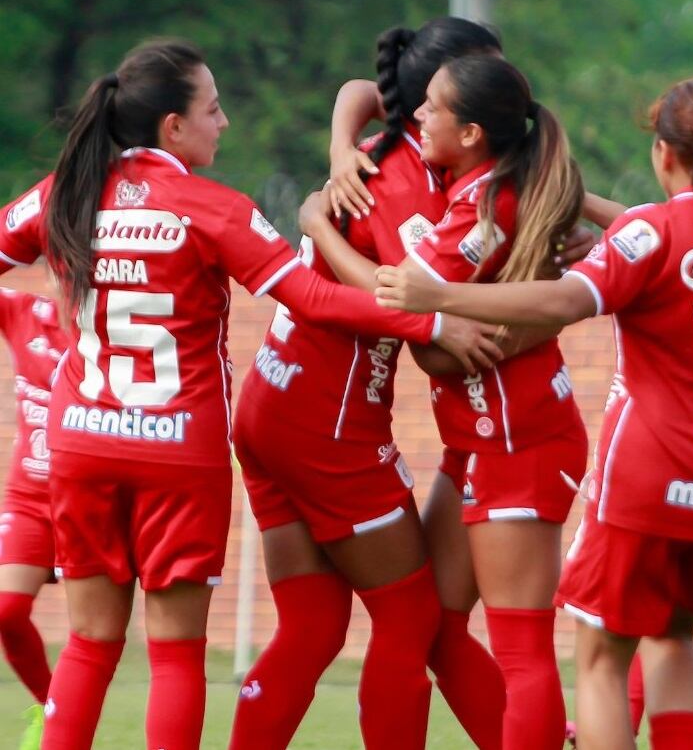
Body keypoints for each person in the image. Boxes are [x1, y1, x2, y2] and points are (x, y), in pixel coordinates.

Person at [374, 74, 693, 750]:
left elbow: (562, 302)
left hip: (649, 491)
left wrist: (439, 294)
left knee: (600, 661)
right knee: (673, 636)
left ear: (664, 155)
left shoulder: (650, 234)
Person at [0, 38, 490, 750]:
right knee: (173, 653)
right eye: (213, 108)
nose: (223, 123)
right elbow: (315, 297)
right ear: (173, 126)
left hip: (83, 443)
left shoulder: (65, 191)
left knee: (88, 643)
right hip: (178, 452)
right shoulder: (211, 208)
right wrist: (430, 316)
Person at [228, 18, 507, 750]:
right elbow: (406, 294)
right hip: (328, 424)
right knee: (413, 619)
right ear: (438, 102)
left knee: (315, 624)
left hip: (269, 403)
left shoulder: (387, 148)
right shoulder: (409, 181)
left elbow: (359, 88)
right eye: (486, 78)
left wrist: (332, 159)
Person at [307, 53, 588, 750]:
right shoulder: (486, 183)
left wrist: (315, 224)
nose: (415, 117)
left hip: (518, 440)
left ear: (469, 133)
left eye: (431, 107)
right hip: (481, 440)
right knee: (435, 622)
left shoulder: (481, 207)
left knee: (522, 647)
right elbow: (362, 91)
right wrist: (343, 146)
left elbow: (396, 300)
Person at [0, 287, 66, 749]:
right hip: (28, 499)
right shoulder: (22, 310)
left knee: (98, 632)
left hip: (91, 501)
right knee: (6, 611)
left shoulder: (111, 321)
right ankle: (50, 709)